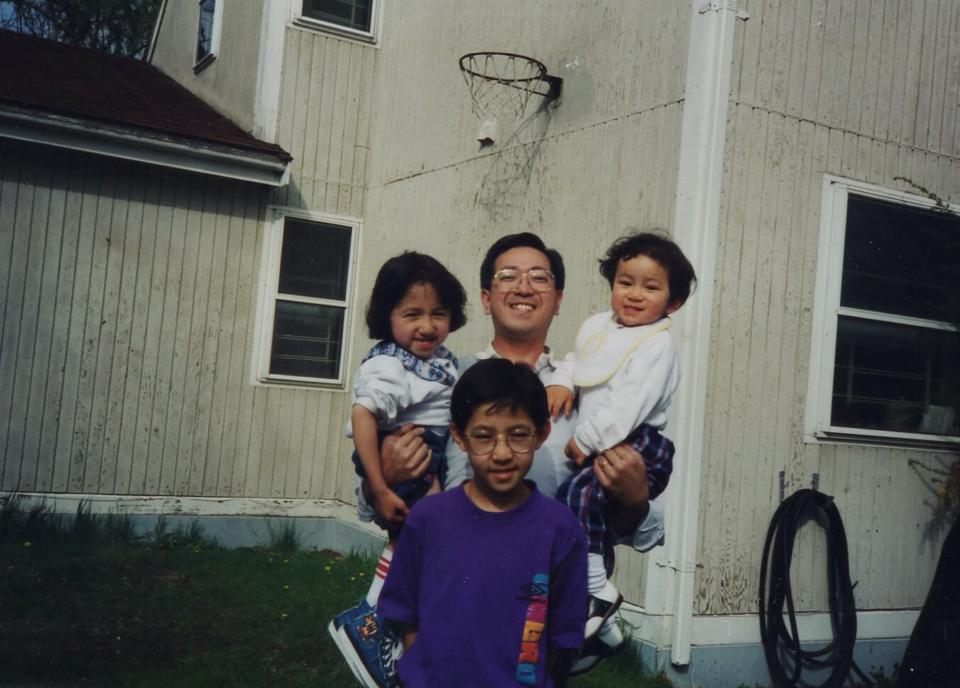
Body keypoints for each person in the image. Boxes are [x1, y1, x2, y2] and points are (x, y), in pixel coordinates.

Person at [333, 233, 666, 684]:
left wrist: (636, 498)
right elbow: (383, 505)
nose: (523, 286)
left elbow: (634, 529)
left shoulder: (595, 397)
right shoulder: (441, 382)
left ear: (558, 299)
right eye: (508, 276)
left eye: (539, 278)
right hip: (448, 614)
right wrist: (385, 477)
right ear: (487, 299)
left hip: (536, 628)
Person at [378, 358, 587, 687]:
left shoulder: (561, 529)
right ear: (459, 437)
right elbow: (404, 613)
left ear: (542, 433)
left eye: (518, 435)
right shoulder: (428, 519)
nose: (502, 453)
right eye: (484, 436)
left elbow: (563, 638)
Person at [547, 231, 696, 648]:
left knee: (577, 496)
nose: (634, 294)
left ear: (673, 303)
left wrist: (587, 437)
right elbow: (579, 361)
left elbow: (628, 405)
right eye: (625, 282)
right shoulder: (603, 329)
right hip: (609, 444)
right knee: (578, 509)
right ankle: (604, 627)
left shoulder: (656, 346)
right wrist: (561, 382)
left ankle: (597, 590)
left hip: (637, 444)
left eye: (650, 287)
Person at [329, 252, 466, 688]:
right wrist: (380, 485)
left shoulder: (436, 360)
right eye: (412, 315)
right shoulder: (388, 364)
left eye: (438, 313)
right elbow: (362, 415)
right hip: (405, 455)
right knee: (420, 542)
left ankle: (395, 639)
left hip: (427, 456)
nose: (427, 326)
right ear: (387, 316)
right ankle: (370, 622)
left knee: (418, 549)